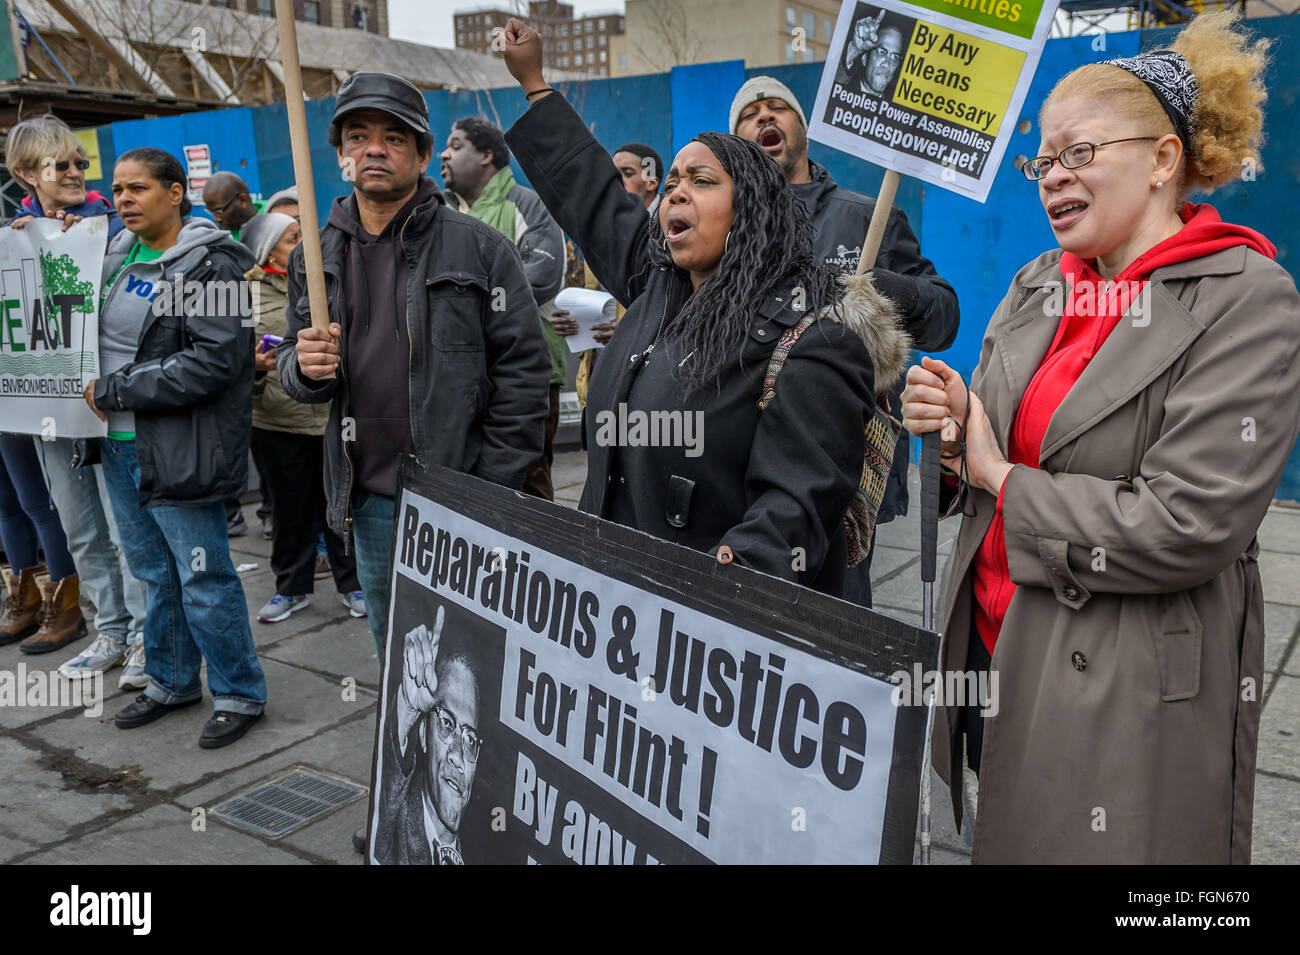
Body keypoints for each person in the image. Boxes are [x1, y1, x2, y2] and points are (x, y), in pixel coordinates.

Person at [900, 11, 1298, 863]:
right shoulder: (1039, 282)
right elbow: (997, 446)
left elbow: (1185, 524)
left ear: (1164, 160)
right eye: (1043, 159)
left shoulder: (1248, 296)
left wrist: (1002, 477)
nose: (1051, 177)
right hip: (999, 650)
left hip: (1125, 681)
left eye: (1079, 153)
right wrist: (957, 428)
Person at [501, 19, 909, 597]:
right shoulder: (657, 286)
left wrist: (727, 585)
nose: (676, 192)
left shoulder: (814, 334)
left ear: (751, 209)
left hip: (707, 633)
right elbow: (594, 197)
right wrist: (535, 81)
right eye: (669, 183)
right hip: (616, 603)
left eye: (701, 180)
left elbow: (796, 504)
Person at [277, 71, 551, 661]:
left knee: (475, 661)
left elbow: (525, 375)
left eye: (395, 137)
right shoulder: (313, 257)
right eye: (358, 136)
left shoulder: (479, 248)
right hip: (371, 500)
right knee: (400, 654)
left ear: (424, 155)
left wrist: (490, 484)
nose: (374, 149)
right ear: (341, 155)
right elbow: (293, 370)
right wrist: (304, 369)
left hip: (462, 495)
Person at [731, 75, 960, 606]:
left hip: (843, 466)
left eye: (778, 108)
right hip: (741, 452)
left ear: (802, 128)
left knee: (840, 624)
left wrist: (888, 291)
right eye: (751, 114)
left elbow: (944, 318)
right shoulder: (726, 223)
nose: (766, 119)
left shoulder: (865, 215)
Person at [84, 147, 267, 748]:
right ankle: (170, 680)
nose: (124, 199)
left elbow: (217, 362)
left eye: (138, 188)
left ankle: (240, 691)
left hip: (178, 446)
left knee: (202, 575)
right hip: (116, 445)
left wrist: (117, 389)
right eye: (117, 189)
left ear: (176, 191)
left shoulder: (212, 267)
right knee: (153, 574)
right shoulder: (112, 256)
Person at [2, 114, 148, 682]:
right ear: (24, 174)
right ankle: (107, 629)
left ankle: (142, 635)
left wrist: (91, 239)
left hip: (106, 405)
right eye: (59, 164)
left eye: (80, 163)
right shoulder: (16, 235)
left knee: (123, 529)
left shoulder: (113, 224)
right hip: (51, 412)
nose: (75, 174)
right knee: (78, 526)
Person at [240, 212, 366, 623]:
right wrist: (255, 369)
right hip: (279, 422)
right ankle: (291, 588)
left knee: (341, 508)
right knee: (290, 511)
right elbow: (232, 361)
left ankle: (353, 583)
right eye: (291, 236)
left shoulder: (328, 273)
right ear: (268, 249)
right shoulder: (246, 295)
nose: (302, 240)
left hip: (332, 417)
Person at [440, 116, 565, 500]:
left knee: (527, 481)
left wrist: (460, 301)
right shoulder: (438, 214)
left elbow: (542, 276)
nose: (444, 154)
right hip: (455, 376)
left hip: (527, 374)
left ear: (487, 156)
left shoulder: (528, 205)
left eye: (457, 145)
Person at [375, 608, 480, 865]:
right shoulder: (395, 829)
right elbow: (385, 815)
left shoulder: (482, 850)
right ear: (423, 732)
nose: (457, 756)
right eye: (446, 723)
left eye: (469, 739)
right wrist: (407, 708)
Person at [842, 10, 904, 97]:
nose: (887, 64)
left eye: (895, 58)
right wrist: (855, 50)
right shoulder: (843, 87)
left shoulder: (897, 107)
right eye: (882, 52)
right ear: (865, 58)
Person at [201, 171, 265, 240]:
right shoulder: (226, 236)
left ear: (242, 200)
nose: (216, 219)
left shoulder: (273, 218)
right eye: (211, 212)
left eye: (219, 212)